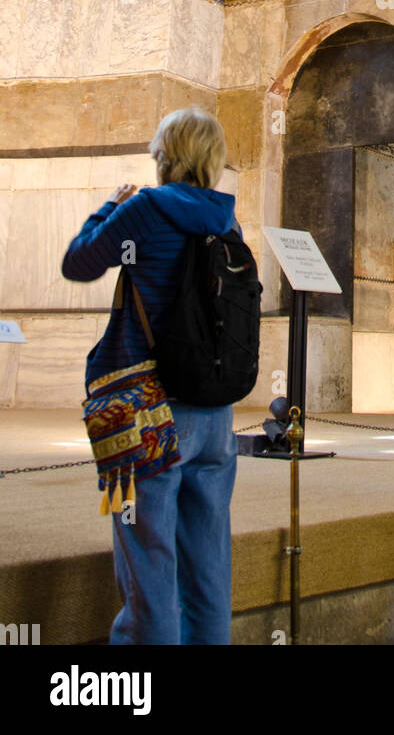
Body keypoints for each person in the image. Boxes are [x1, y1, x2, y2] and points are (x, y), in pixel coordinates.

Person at [62, 106, 240, 646]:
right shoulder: (225, 219)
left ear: (166, 155)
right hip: (215, 414)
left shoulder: (146, 209)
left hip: (149, 411)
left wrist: (107, 206)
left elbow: (80, 262)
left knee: (150, 568)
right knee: (209, 567)